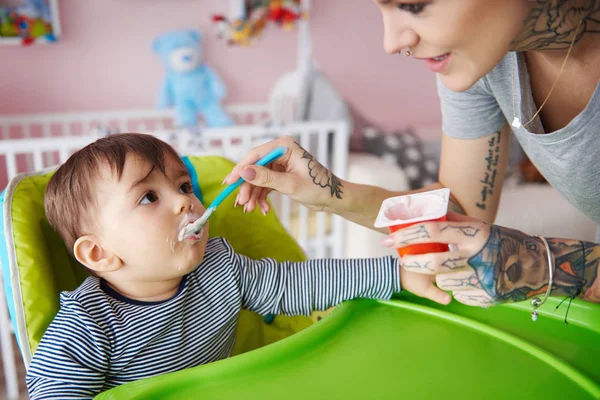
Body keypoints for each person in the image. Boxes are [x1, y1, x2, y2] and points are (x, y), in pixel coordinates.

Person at [224, 0, 600, 307]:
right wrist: (331, 194)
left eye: (413, 6)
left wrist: (547, 263)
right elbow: (460, 212)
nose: (391, 41)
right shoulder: (485, 62)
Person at [26, 133, 447, 399]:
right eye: (148, 197)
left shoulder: (220, 267)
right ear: (99, 254)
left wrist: (397, 273)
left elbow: (298, 283)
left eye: (183, 185)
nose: (184, 202)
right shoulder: (85, 326)